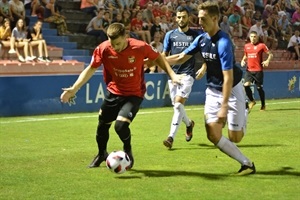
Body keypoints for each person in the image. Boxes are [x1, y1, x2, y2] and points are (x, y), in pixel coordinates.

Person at [60, 22, 183, 169]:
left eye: (118, 44)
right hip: (114, 92)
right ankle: (101, 154)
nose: (115, 48)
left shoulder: (140, 46)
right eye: (112, 44)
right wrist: (74, 88)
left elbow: (158, 58)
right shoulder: (104, 49)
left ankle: (128, 150)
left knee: (120, 126)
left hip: (134, 94)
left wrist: (172, 75)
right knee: (102, 125)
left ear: (126, 36)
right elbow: (91, 69)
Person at [166, 1, 255, 175]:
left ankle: (243, 110)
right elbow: (181, 57)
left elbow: (228, 77)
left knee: (235, 137)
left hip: (232, 88)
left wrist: (224, 107)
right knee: (213, 134)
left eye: (203, 19)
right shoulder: (201, 39)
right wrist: (156, 60)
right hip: (213, 89)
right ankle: (247, 164)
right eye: (198, 19)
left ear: (214, 18)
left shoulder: (223, 43)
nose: (199, 23)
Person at [161, 6, 200, 149]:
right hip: (173, 75)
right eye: (178, 17)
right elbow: (164, 55)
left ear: (189, 17)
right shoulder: (170, 35)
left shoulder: (195, 35)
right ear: (175, 18)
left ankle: (170, 138)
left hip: (188, 74)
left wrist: (203, 67)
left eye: (184, 17)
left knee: (178, 105)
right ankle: (189, 124)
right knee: (177, 107)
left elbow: (204, 53)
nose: (181, 19)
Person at [241, 31, 273, 112]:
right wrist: (242, 60)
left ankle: (263, 105)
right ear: (249, 37)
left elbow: (270, 54)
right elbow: (245, 55)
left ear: (257, 37)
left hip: (258, 70)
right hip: (249, 70)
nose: (253, 38)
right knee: (245, 85)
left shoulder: (261, 45)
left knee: (259, 88)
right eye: (251, 36)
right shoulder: (246, 46)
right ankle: (252, 101)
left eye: (255, 36)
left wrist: (267, 61)